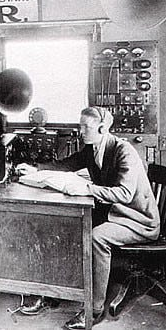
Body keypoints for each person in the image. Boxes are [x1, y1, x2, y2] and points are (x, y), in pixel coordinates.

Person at [16, 106, 160, 329]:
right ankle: (53, 294)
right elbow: (67, 164)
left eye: (86, 127)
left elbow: (124, 194)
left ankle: (93, 310)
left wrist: (87, 189)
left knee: (97, 237)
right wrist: (35, 169)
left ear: (102, 128)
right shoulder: (92, 148)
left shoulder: (124, 151)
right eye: (80, 125)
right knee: (67, 226)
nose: (81, 131)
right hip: (113, 213)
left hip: (137, 220)